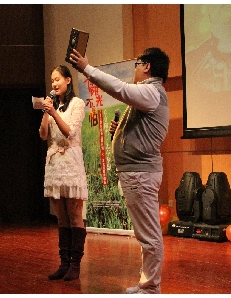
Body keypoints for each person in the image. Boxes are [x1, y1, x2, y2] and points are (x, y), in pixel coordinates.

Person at [67, 46, 170, 295]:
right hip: (137, 173)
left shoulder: (151, 91)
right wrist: (121, 132)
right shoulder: (151, 93)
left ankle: (151, 288)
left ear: (146, 66)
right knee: (145, 234)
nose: (134, 70)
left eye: (137, 64)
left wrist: (87, 69)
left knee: (149, 236)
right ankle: (147, 284)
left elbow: (120, 89)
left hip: (141, 174)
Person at [39, 64, 89, 282]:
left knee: (74, 215)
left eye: (57, 79)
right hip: (55, 164)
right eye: (52, 80)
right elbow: (43, 135)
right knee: (61, 217)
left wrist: (54, 113)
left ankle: (75, 265)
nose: (54, 84)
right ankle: (64, 263)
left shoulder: (77, 104)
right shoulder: (52, 107)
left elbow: (70, 132)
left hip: (70, 161)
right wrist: (46, 112)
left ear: (68, 80)